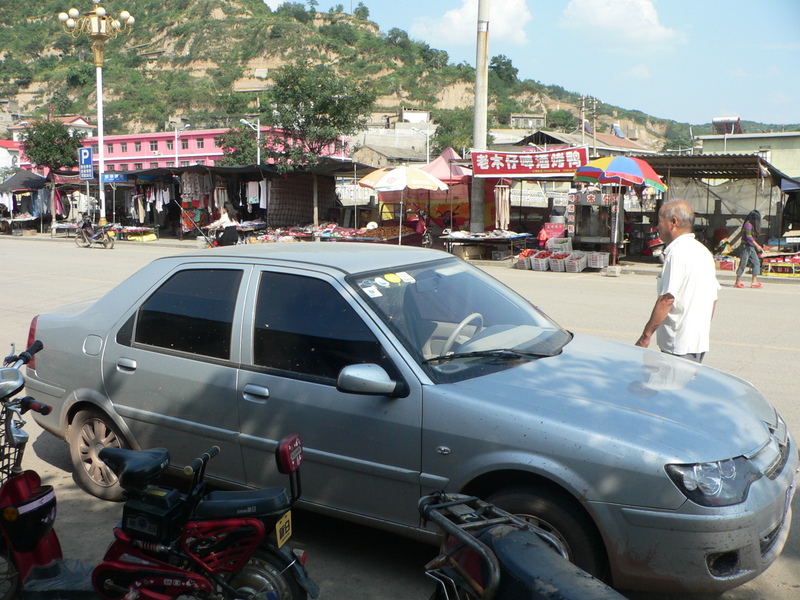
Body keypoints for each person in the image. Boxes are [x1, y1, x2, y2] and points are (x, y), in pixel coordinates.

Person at [635, 200, 720, 363]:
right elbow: (713, 299)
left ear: (673, 222)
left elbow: (666, 300)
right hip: (697, 342)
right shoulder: (703, 252)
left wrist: (645, 337)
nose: (657, 227)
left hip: (677, 345)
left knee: (672, 387)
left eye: (659, 221)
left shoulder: (676, 254)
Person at [734, 210, 765, 289]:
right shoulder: (747, 225)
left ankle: (754, 282)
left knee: (756, 262)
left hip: (750, 247)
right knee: (743, 264)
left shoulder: (752, 225)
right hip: (745, 247)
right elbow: (749, 237)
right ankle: (737, 282)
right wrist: (757, 246)